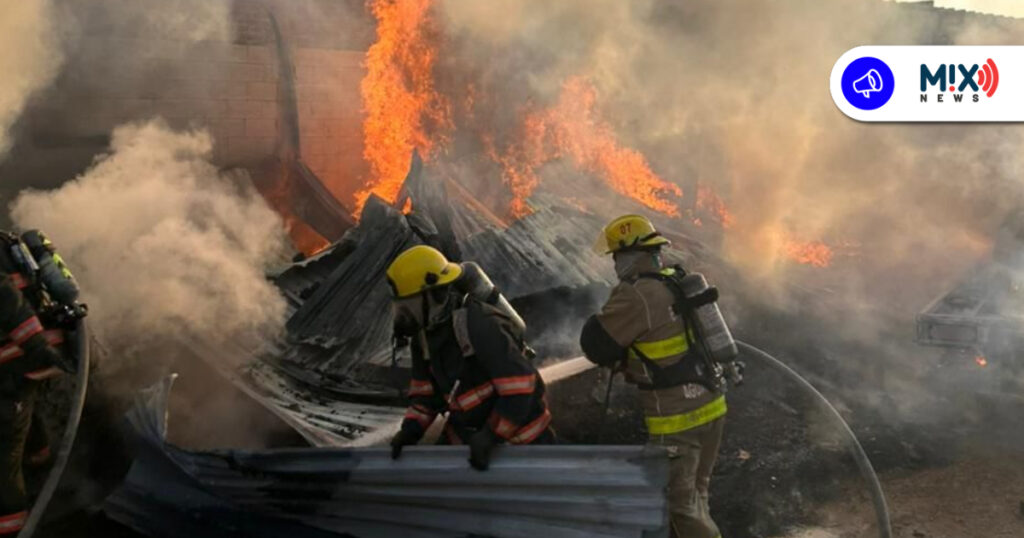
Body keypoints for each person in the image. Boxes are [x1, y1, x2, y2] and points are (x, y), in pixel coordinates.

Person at [580, 215, 733, 538]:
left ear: (632, 254)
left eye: (617, 256)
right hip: (711, 407)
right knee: (695, 499)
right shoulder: (674, 280)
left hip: (677, 422)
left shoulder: (637, 294)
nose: (614, 265)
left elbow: (596, 345)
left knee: (678, 508)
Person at [386, 245, 553, 470]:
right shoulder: (423, 338)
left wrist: (491, 435)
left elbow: (520, 386)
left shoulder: (477, 323)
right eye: (399, 306)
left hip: (524, 441)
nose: (402, 315)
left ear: (435, 294)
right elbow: (425, 397)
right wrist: (410, 430)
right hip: (471, 434)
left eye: (408, 305)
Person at [0, 232, 67, 536]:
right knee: (20, 413)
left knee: (2, 459)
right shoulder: (4, 242)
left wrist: (41, 351)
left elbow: (10, 305)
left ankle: (10, 526)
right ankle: (39, 458)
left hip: (17, 363)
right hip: (26, 364)